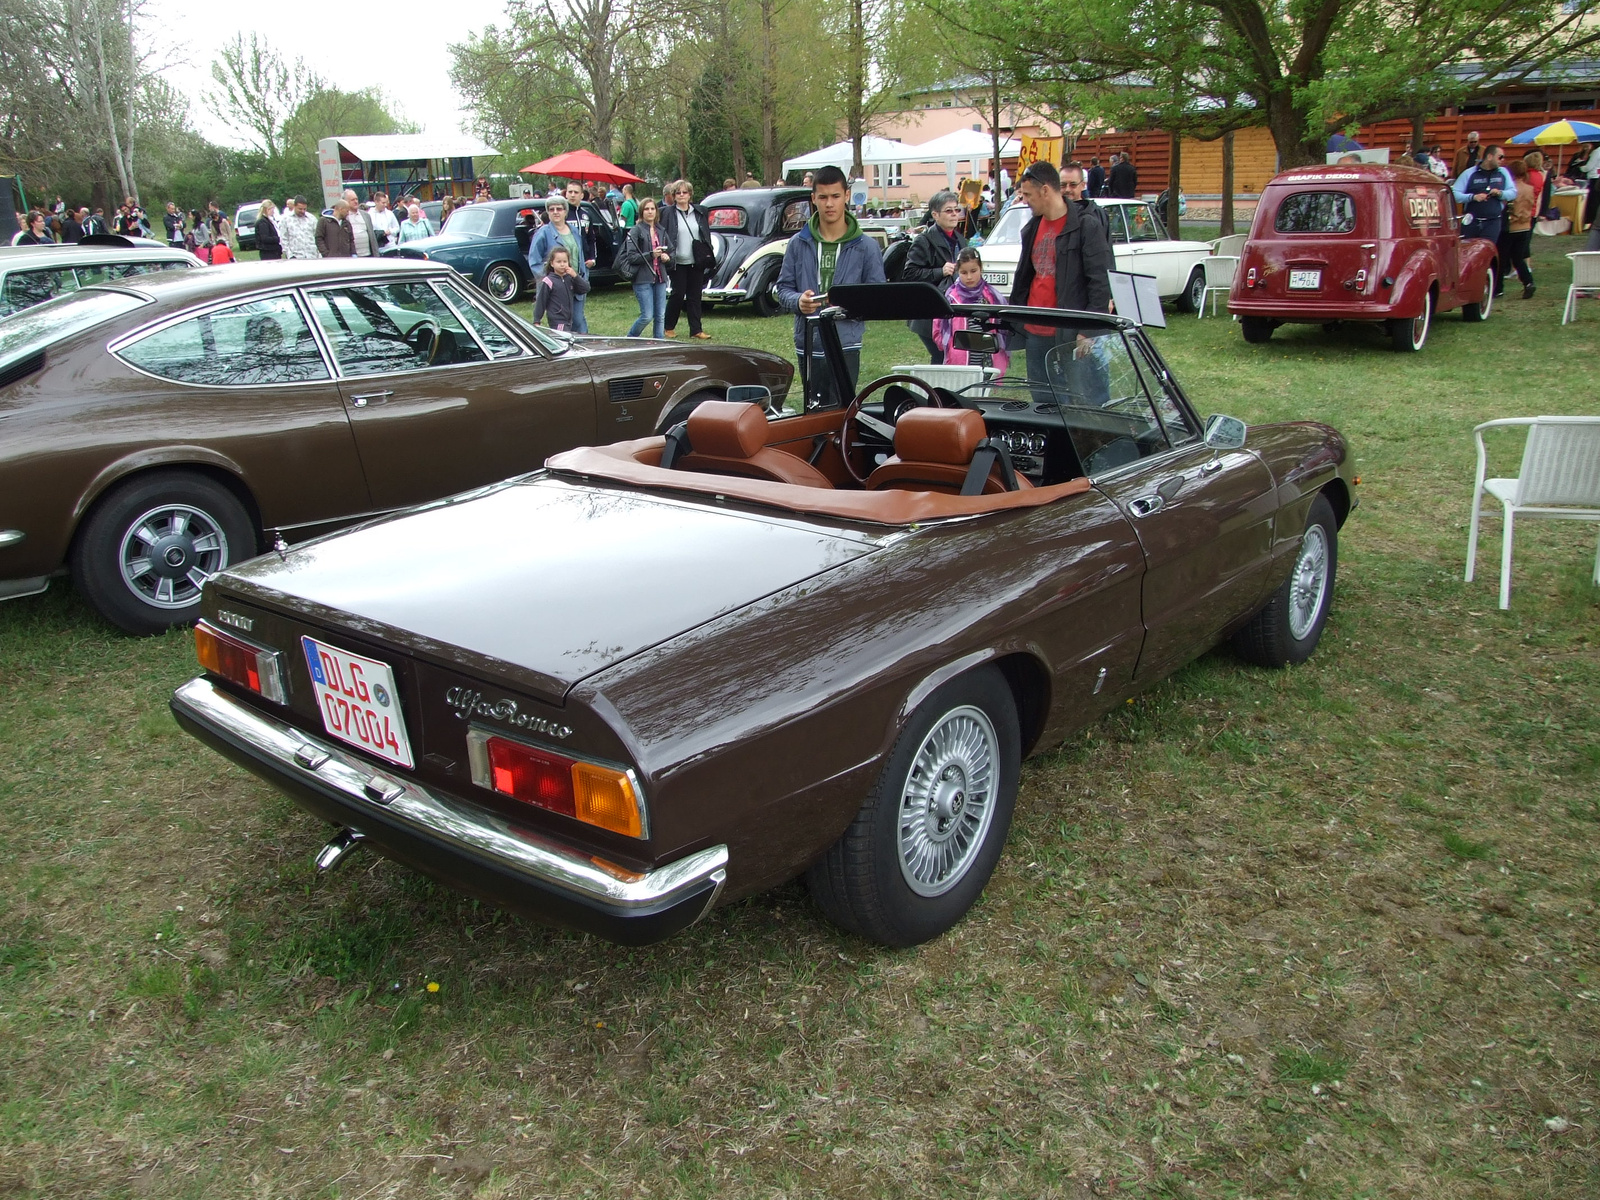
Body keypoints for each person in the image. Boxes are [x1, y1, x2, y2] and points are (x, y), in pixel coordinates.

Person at [775, 165, 887, 405]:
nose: (829, 204)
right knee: (813, 412)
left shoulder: (866, 246)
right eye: (823, 197)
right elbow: (782, 289)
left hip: (846, 342)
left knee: (841, 411)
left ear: (846, 196)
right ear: (813, 198)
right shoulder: (798, 243)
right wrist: (798, 301)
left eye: (835, 196)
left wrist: (848, 304)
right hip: (808, 340)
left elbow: (878, 297)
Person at [1007, 160, 1114, 403]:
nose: (1025, 200)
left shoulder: (1086, 226)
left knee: (1081, 399)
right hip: (1036, 330)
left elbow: (1099, 280)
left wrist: (1088, 330)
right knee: (1043, 400)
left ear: (1045, 190)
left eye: (1028, 194)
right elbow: (1026, 276)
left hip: (1070, 331)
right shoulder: (1032, 227)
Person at [901, 188, 967, 361]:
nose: (954, 214)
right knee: (941, 355)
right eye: (948, 211)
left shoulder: (961, 240)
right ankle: (936, 388)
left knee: (951, 356)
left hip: (953, 310)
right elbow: (909, 274)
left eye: (956, 210)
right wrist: (940, 271)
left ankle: (942, 387)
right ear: (935, 215)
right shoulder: (924, 241)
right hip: (929, 312)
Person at [933, 249, 1010, 379]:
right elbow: (938, 328)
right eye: (964, 272)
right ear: (957, 272)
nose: (969, 277)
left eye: (973, 271)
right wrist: (950, 348)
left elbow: (1004, 327)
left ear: (981, 269)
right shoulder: (950, 298)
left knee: (984, 394)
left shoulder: (992, 297)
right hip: (960, 360)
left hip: (987, 358)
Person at [660, 179, 715, 339]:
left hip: (696, 261)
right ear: (674, 195)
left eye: (685, 192)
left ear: (690, 194)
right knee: (678, 294)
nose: (682, 195)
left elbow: (705, 233)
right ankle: (669, 326)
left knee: (695, 296)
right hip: (677, 261)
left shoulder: (699, 212)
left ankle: (696, 330)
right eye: (678, 193)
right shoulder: (667, 213)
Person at [527, 195, 588, 324]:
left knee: (579, 321)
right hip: (557, 288)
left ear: (565, 211)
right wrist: (550, 279)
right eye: (551, 209)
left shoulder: (574, 231)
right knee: (562, 325)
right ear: (548, 212)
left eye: (559, 209)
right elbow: (534, 261)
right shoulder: (542, 233)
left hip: (573, 283)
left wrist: (581, 277)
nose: (555, 212)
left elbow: (580, 256)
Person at [1453, 144, 1514, 275]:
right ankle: (1467, 278)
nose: (1502, 160)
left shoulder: (1503, 173)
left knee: (1487, 251)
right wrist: (1472, 197)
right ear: (1489, 156)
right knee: (1467, 252)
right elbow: (1455, 194)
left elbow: (1513, 192)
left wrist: (1500, 193)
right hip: (1472, 220)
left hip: (1493, 221)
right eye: (1500, 157)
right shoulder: (1470, 173)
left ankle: (1485, 280)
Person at [618, 197, 671, 337]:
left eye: (652, 209)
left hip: (660, 277)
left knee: (660, 316)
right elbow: (631, 257)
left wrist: (666, 256)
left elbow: (671, 249)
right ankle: (629, 339)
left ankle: (659, 346)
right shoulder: (636, 230)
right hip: (642, 278)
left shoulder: (661, 230)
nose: (650, 212)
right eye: (646, 209)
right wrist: (651, 254)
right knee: (647, 316)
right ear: (641, 212)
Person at [1497, 158, 1535, 300]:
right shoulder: (1529, 188)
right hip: (1525, 226)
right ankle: (1528, 282)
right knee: (1518, 258)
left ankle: (1498, 288)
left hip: (1510, 226)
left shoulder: (1509, 190)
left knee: (1502, 258)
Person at [561, 181, 597, 332]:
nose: (573, 195)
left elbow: (591, 238)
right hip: (565, 267)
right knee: (565, 310)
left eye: (576, 192)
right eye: (570, 192)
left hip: (582, 268)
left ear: (582, 195)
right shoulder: (562, 215)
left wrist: (592, 258)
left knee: (578, 310)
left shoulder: (586, 214)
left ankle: (584, 336)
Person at [532, 245, 591, 332]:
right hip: (557, 321)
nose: (562, 264)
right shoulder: (549, 281)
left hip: (569, 320)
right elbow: (541, 302)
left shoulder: (570, 278)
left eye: (565, 261)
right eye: (558, 262)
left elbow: (585, 288)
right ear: (552, 263)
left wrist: (575, 276)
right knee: (562, 340)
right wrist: (537, 320)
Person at [342, 190, 382, 258]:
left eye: (356, 199)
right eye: (352, 200)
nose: (356, 202)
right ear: (345, 202)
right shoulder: (344, 217)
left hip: (368, 255)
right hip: (353, 257)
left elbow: (372, 237)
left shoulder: (366, 215)